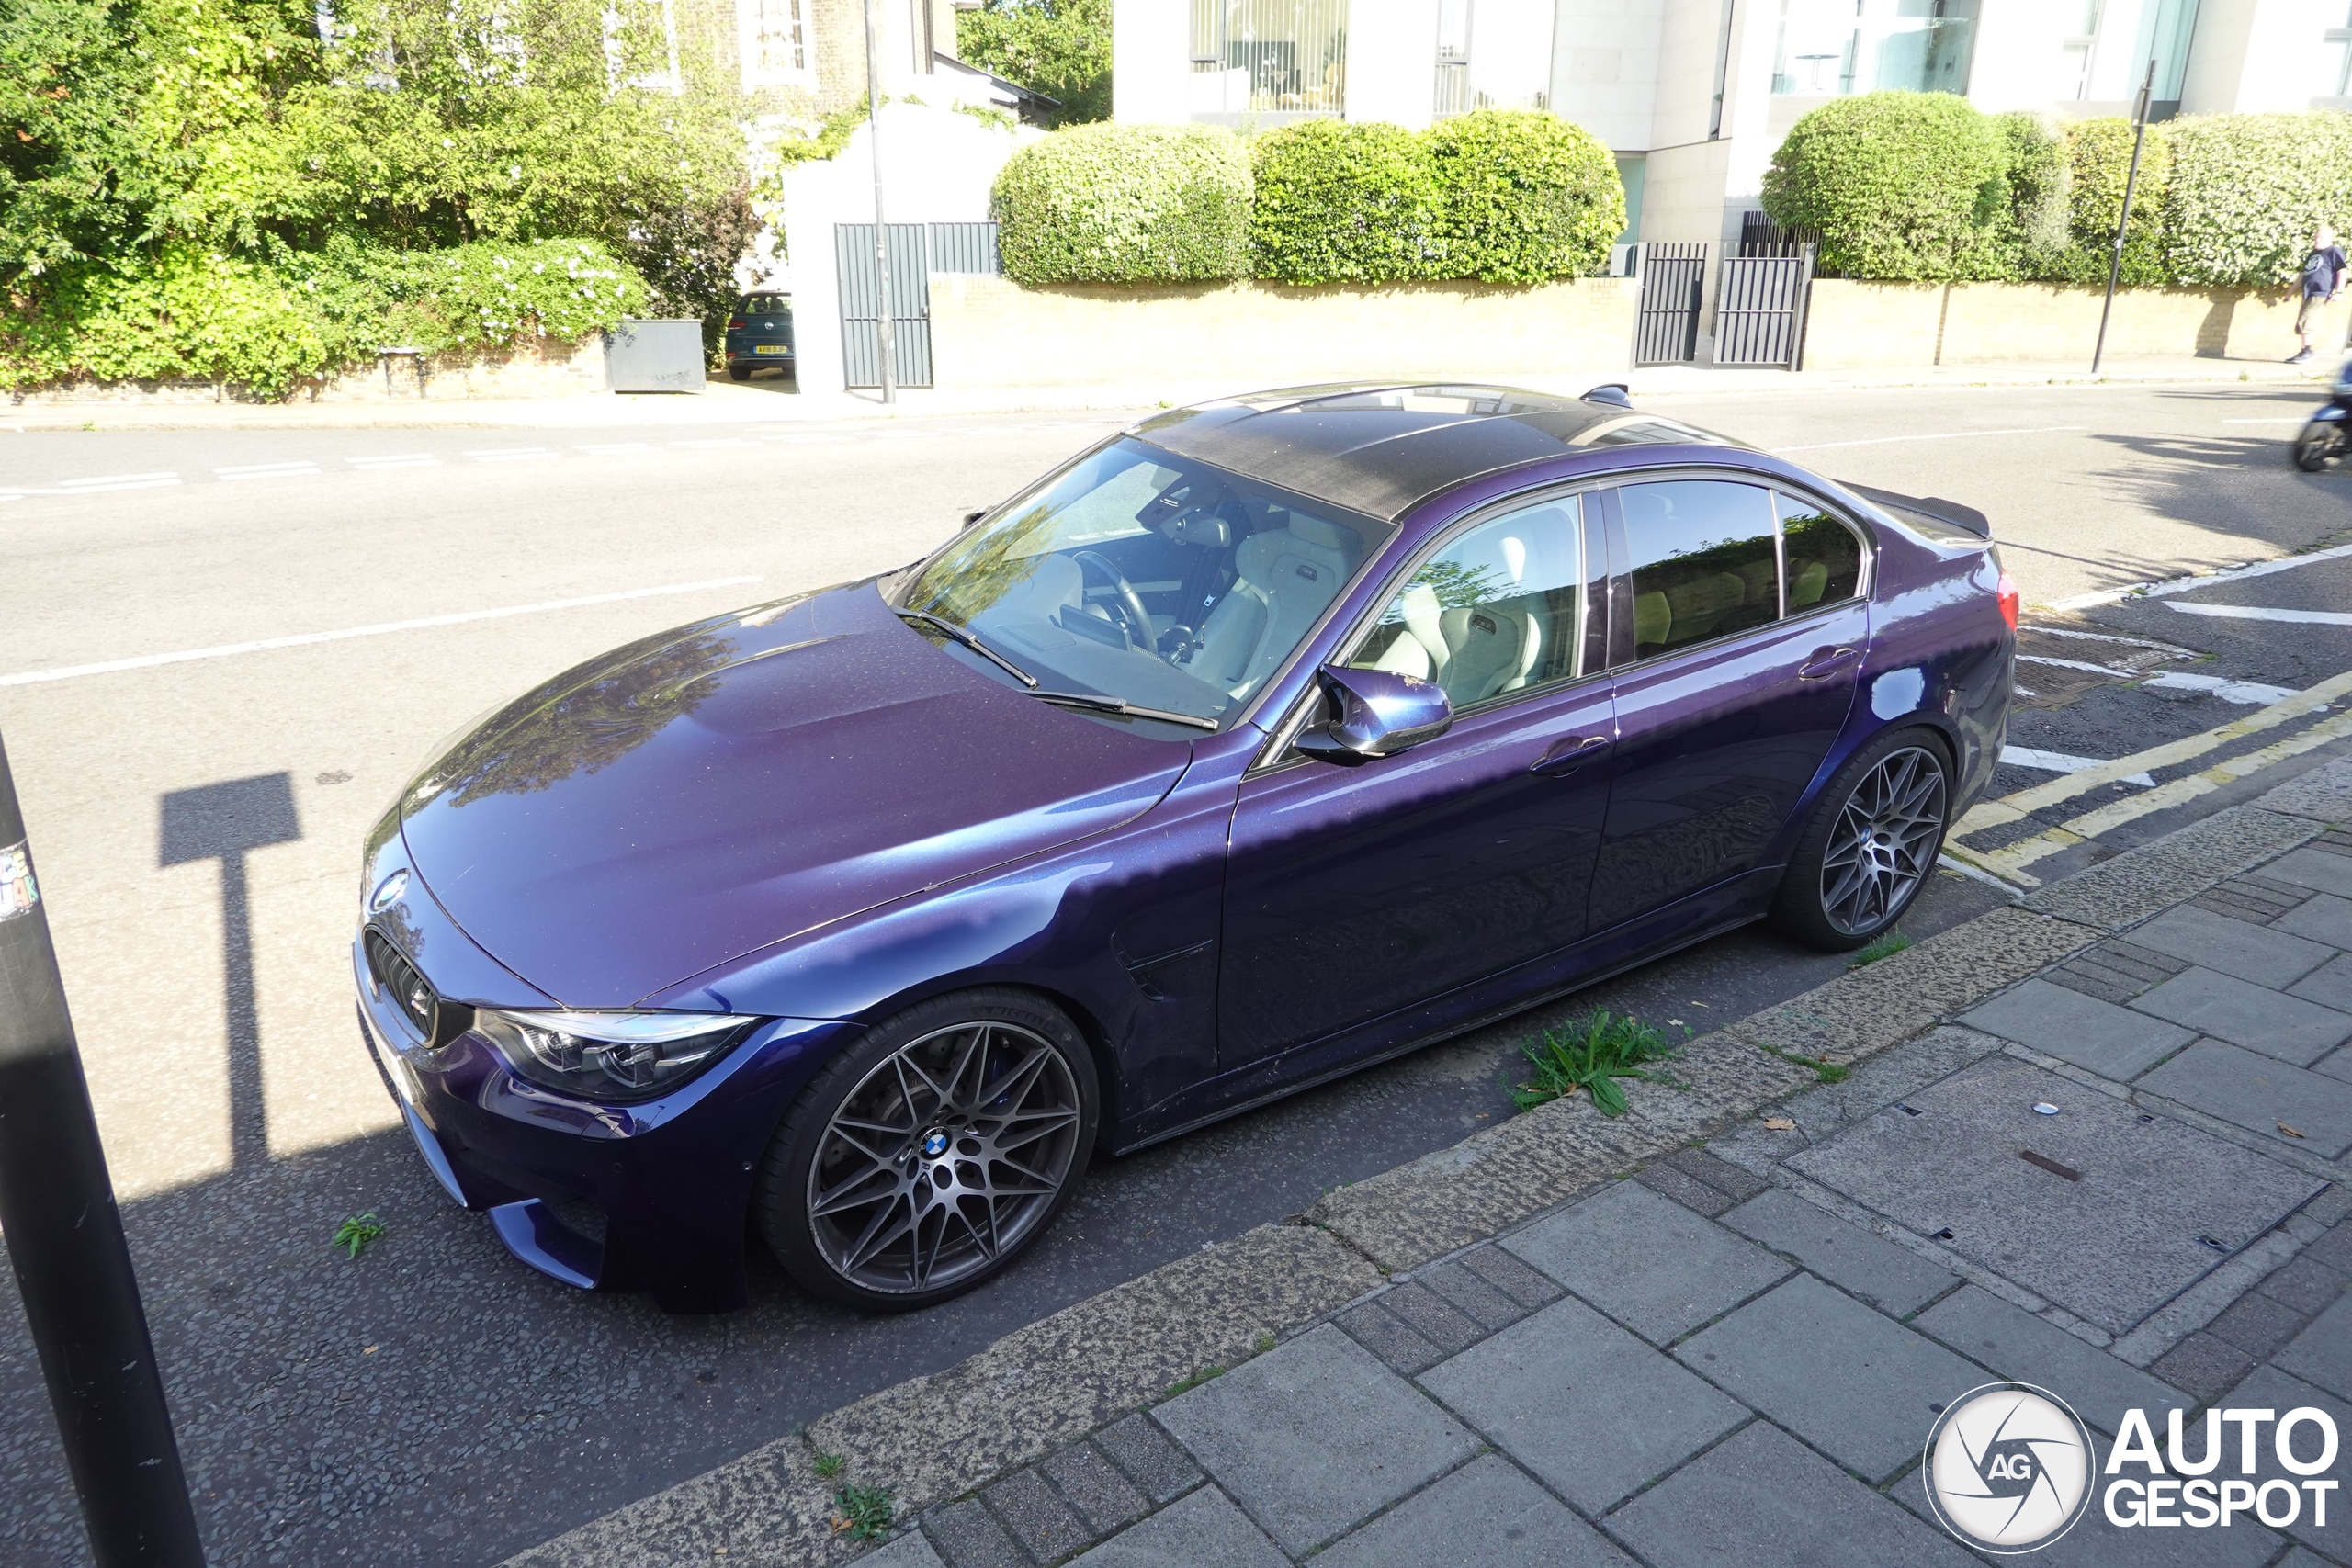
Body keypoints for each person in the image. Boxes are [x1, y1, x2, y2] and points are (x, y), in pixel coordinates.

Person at [2290, 224, 2346, 366]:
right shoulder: (2313, 253)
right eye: (2316, 237)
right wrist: (2289, 292)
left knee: (2307, 320)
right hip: (2308, 292)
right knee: (2302, 321)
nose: (2317, 240)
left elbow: (2342, 271)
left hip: (2321, 291)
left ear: (2330, 238)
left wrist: (2339, 291)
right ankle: (2304, 351)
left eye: (2321, 237)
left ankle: (2308, 352)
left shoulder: (2334, 251)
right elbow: (2303, 274)